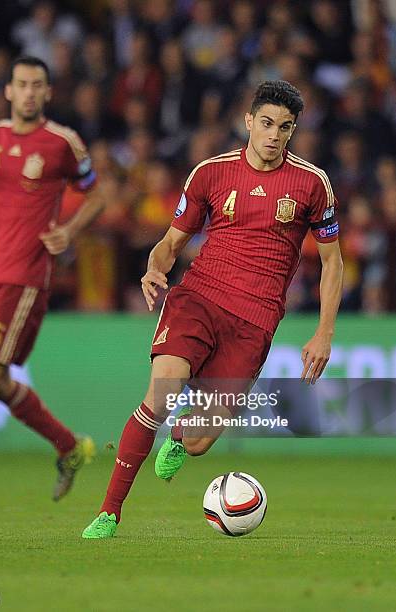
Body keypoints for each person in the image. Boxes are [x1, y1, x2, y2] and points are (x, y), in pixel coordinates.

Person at [82, 80, 343, 539]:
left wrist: (324, 333)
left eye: (285, 127)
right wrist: (154, 269)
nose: (274, 135)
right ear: (248, 122)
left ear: (293, 130)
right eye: (266, 123)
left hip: (255, 322)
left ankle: (180, 439)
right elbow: (171, 242)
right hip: (200, 298)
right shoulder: (210, 173)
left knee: (200, 440)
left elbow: (332, 261)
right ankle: (109, 512)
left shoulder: (312, 184)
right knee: (160, 394)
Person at [0, 56, 104, 509]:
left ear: (48, 93)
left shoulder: (62, 143)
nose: (28, 92)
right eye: (21, 84)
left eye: (37, 85)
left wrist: (69, 231)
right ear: (8, 91)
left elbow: (97, 195)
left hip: (26, 277)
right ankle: (70, 448)